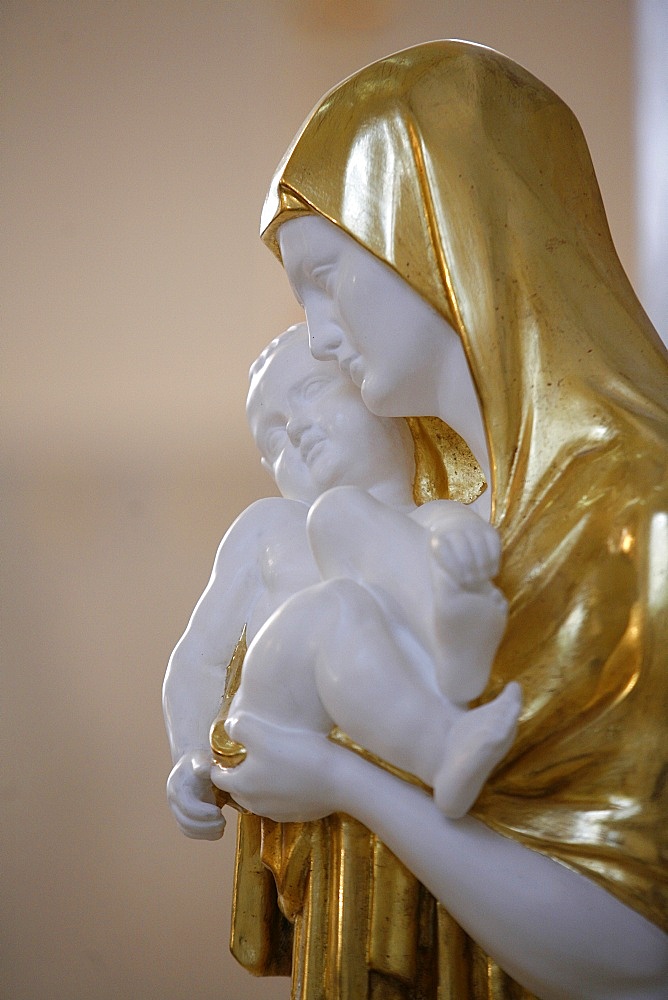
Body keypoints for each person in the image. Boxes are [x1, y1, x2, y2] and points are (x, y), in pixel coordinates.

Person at [213, 40, 668, 1000]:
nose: (319, 334)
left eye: (328, 277)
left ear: (448, 233)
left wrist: (349, 785)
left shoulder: (637, 508)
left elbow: (642, 954)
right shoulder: (404, 495)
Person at [164, 322, 514, 837]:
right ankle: (448, 705)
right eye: (275, 436)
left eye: (310, 391)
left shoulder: (429, 519)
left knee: (397, 528)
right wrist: (188, 755)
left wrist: (467, 547)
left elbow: (459, 531)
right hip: (277, 717)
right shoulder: (270, 527)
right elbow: (198, 658)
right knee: (337, 568)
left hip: (394, 711)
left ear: (384, 400)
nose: (298, 428)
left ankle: (457, 659)